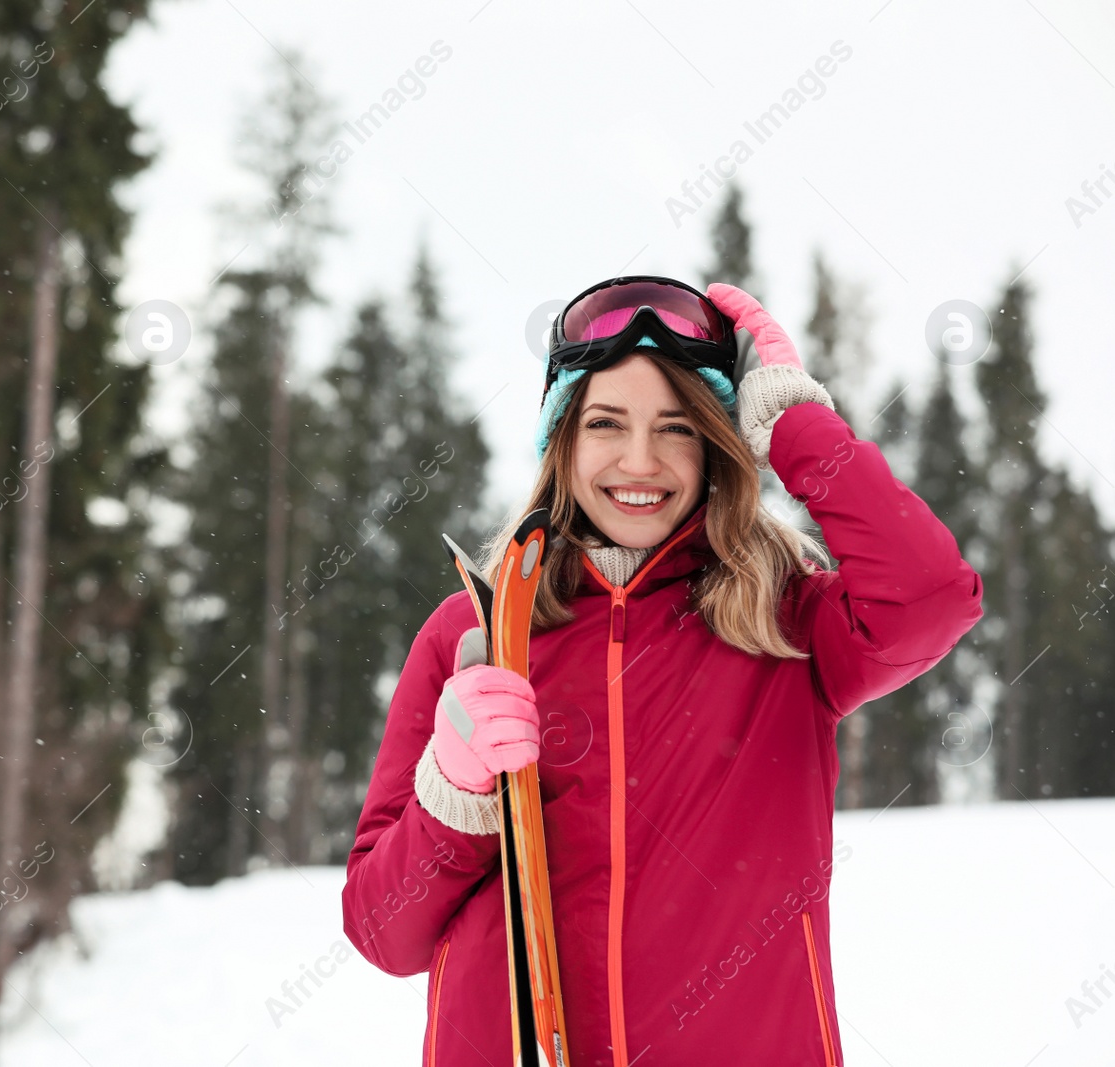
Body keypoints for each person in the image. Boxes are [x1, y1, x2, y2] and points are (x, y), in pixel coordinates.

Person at [340, 276, 984, 1066]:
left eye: (675, 428)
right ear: (562, 439)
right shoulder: (474, 634)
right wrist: (456, 790)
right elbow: (384, 934)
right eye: (606, 422)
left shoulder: (786, 623)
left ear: (715, 444)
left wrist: (794, 423)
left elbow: (929, 598)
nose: (638, 461)